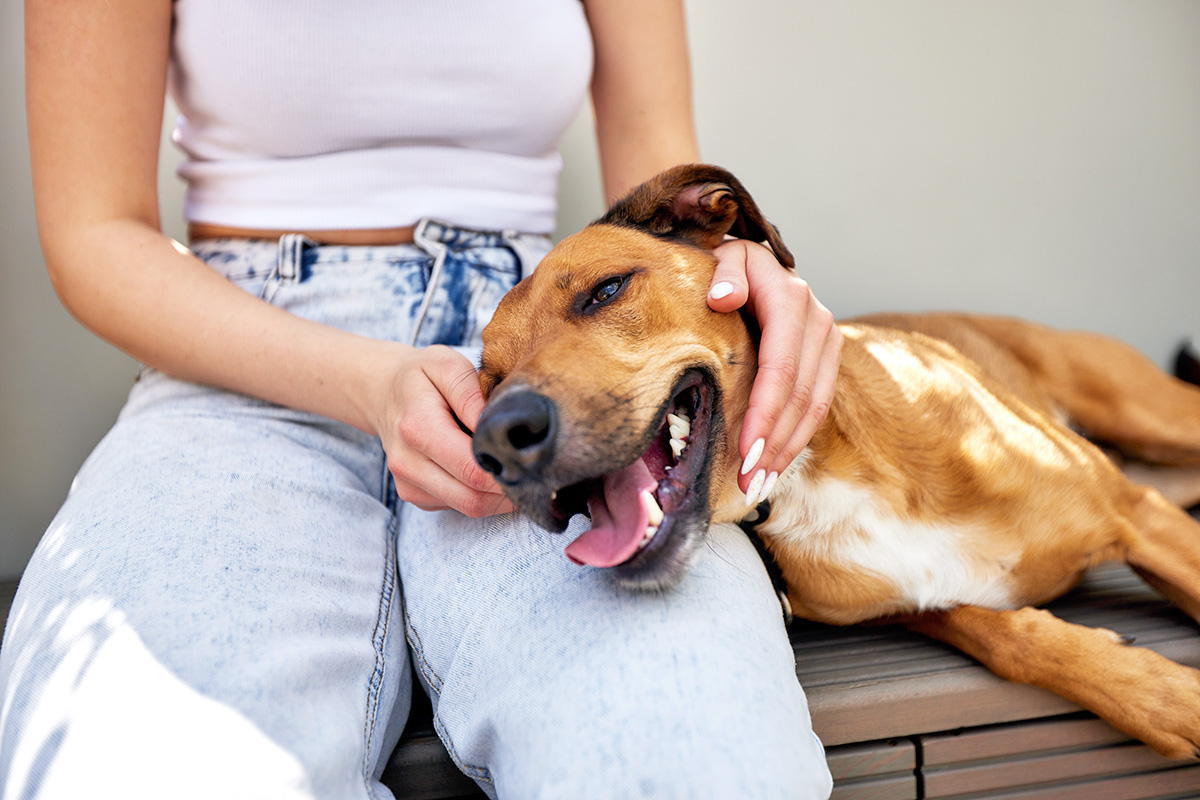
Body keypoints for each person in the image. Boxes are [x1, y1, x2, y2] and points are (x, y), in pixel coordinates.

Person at [2, 1, 842, 797]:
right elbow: (92, 233)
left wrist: (731, 271)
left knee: (691, 748)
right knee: (144, 764)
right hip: (239, 367)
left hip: (528, 371)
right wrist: (370, 382)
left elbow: (659, 191)